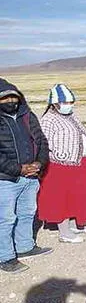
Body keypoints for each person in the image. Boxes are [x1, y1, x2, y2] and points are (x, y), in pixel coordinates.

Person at [0, 78, 52, 274]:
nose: (10, 101)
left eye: (14, 96)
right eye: (5, 98)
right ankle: (5, 256)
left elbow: (42, 141)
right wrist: (18, 169)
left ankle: (24, 246)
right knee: (5, 218)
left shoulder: (27, 116)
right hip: (5, 179)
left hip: (31, 176)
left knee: (27, 212)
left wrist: (39, 163)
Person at [38, 84, 86, 244]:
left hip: (78, 162)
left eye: (71, 102)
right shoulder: (48, 119)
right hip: (60, 165)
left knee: (76, 195)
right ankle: (64, 232)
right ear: (54, 103)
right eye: (65, 102)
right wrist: (57, 155)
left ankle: (74, 223)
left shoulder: (71, 115)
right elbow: (43, 142)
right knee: (60, 198)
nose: (68, 105)